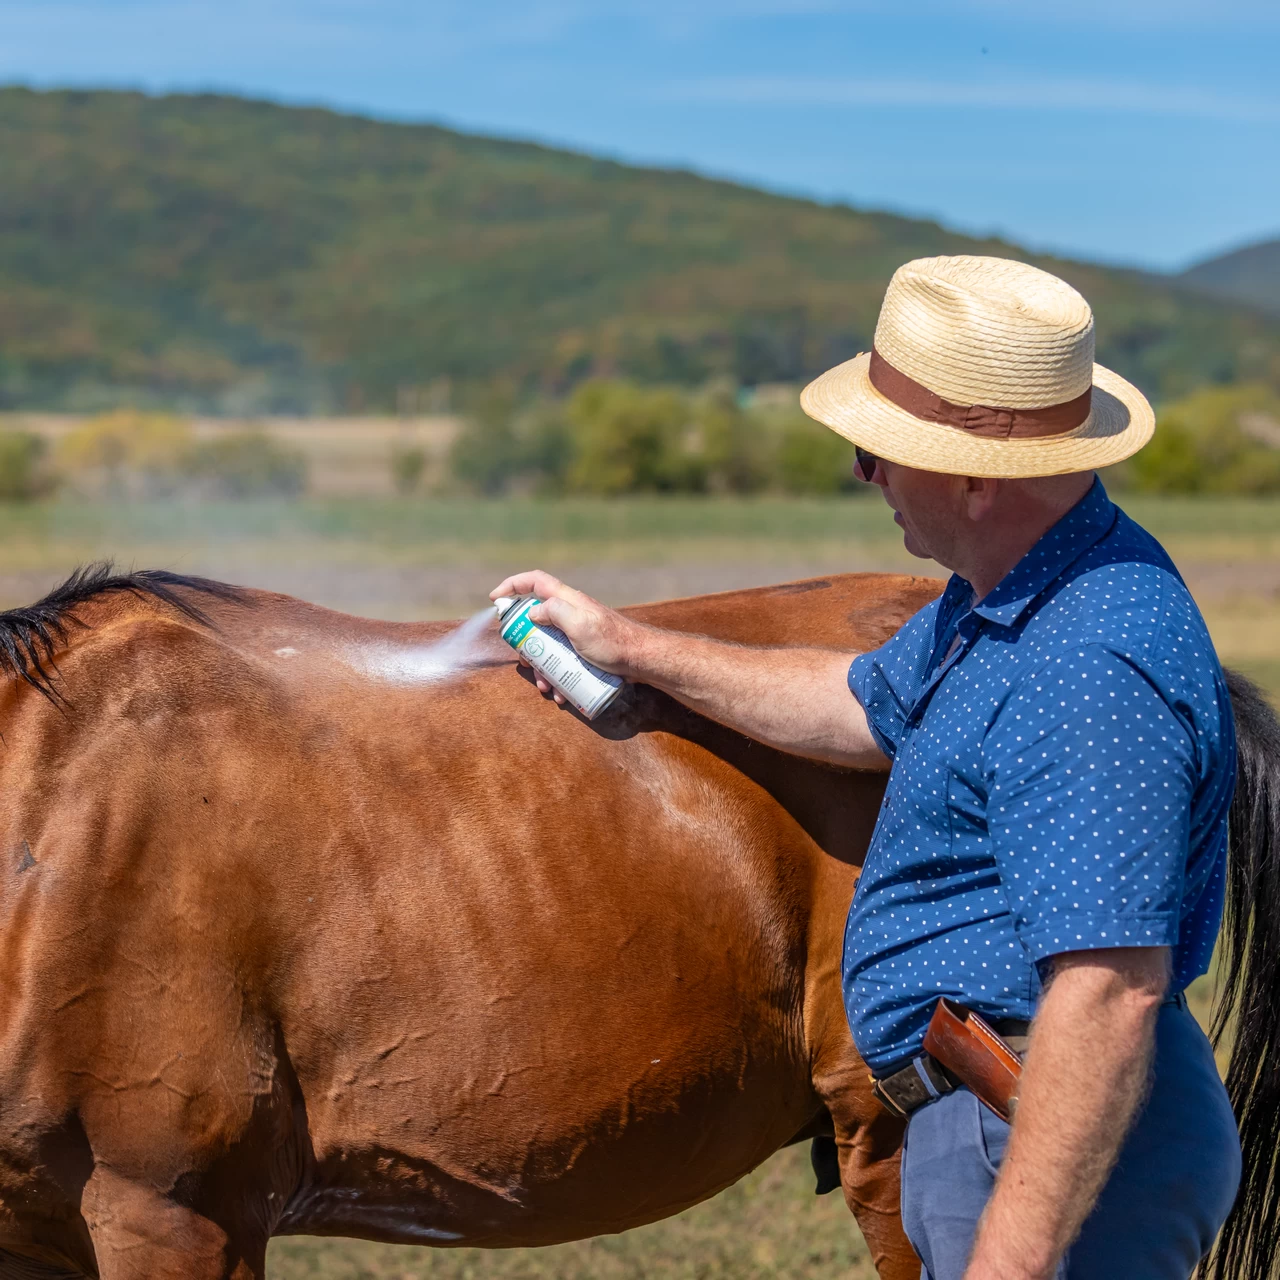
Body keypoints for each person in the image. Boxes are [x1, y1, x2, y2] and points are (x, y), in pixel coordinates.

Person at [490, 255, 1241, 1280]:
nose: (863, 470)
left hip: (1040, 1131)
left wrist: (1008, 1261)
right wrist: (628, 644)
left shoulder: (1087, 662)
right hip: (999, 1111)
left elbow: (1107, 989)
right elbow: (858, 704)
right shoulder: (1007, 593)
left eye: (884, 446)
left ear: (976, 474)